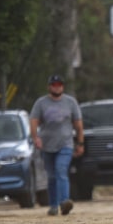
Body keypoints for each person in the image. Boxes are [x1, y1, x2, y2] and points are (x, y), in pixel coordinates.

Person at [29, 74, 84, 216]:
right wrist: (36, 138)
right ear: (49, 87)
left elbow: (78, 125)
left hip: (65, 144)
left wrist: (80, 142)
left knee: (61, 170)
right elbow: (34, 121)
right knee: (52, 176)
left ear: (63, 86)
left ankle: (64, 202)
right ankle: (53, 205)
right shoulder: (41, 103)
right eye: (54, 84)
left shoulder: (70, 102)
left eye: (59, 84)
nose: (57, 87)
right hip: (47, 145)